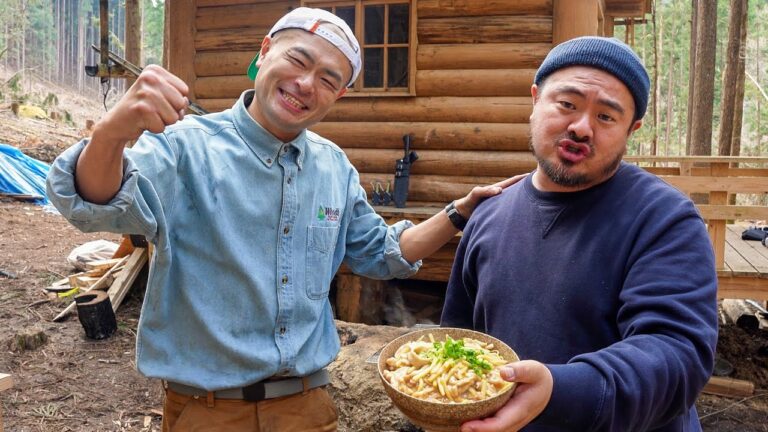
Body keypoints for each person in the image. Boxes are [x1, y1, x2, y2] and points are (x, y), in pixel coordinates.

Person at [46, 7, 516, 431]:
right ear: (265, 51)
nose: (307, 84)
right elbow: (93, 204)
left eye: (329, 80)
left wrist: (459, 212)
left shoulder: (333, 167)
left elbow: (381, 253)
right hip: (207, 412)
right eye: (298, 60)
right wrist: (111, 134)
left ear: (340, 96)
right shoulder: (186, 147)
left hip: (308, 408)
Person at [441, 36, 718, 432]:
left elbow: (677, 356)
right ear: (535, 99)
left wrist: (559, 390)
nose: (581, 127)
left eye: (606, 117)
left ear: (631, 129)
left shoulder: (665, 219)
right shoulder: (489, 214)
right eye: (567, 104)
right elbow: (460, 338)